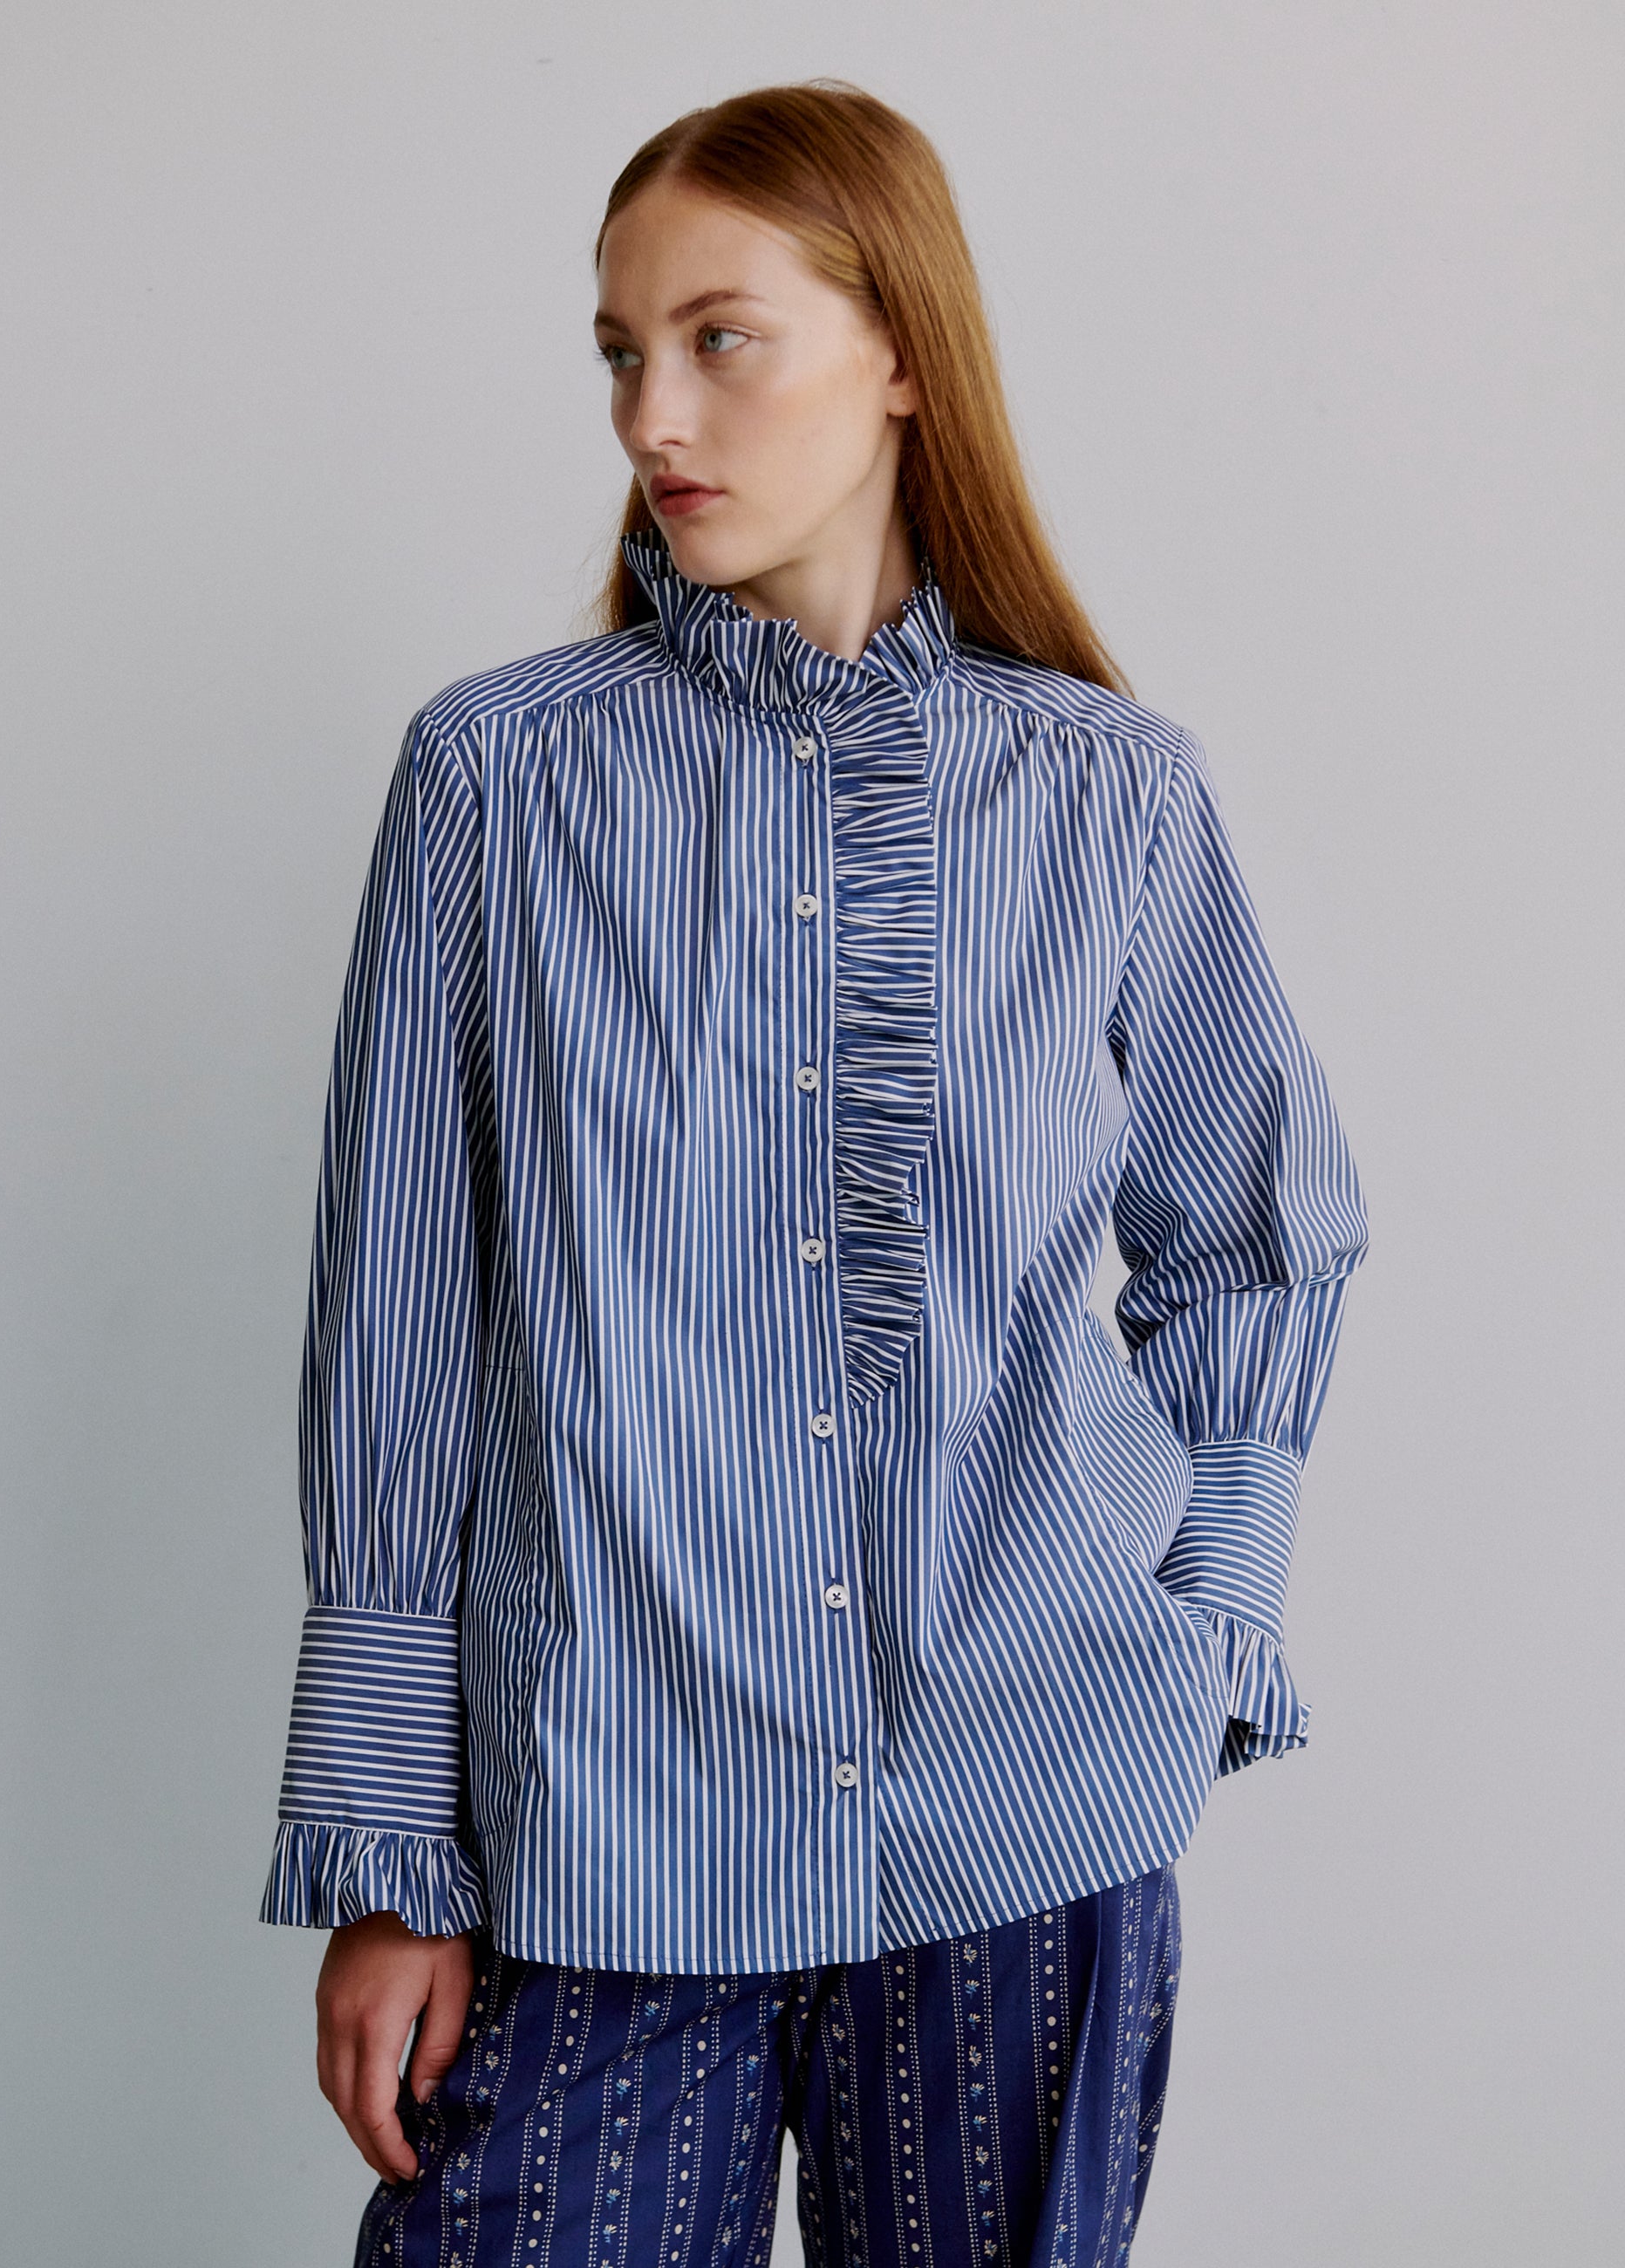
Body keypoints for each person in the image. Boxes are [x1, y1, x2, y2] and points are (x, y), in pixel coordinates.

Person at [260, 80, 1368, 2268]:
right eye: (618, 351)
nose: (650, 415)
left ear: (899, 353)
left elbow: (1260, 1232)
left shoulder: (1110, 795)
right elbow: (398, 1335)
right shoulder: (494, 781)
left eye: (719, 338)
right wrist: (391, 1852)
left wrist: (1212, 1621)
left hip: (1023, 1816)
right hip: (603, 1832)